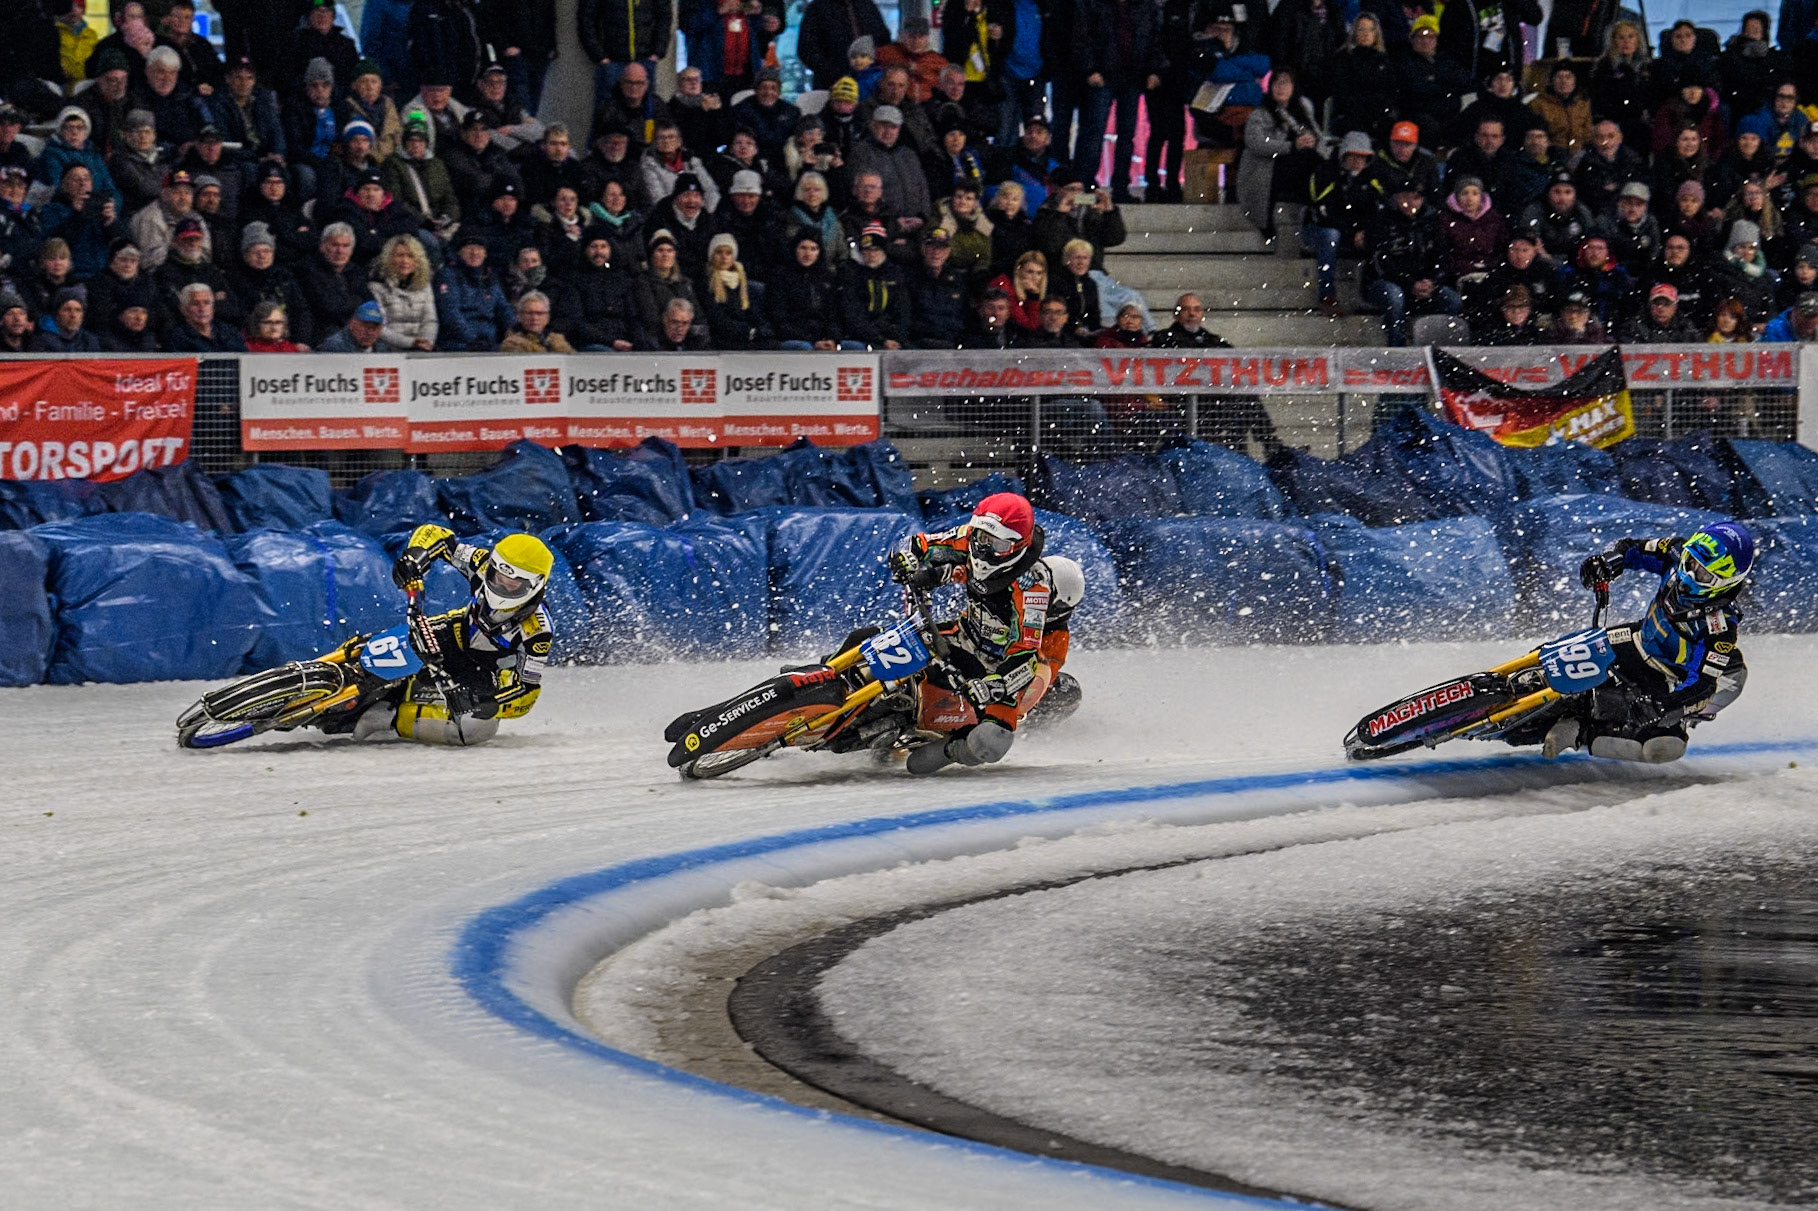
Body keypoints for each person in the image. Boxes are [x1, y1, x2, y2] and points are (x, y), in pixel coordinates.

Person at [887, 493, 1081, 775]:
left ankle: (953, 747)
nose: (984, 547)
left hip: (998, 669)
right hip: (964, 634)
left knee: (992, 739)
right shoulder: (975, 539)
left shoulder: (1035, 595)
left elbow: (1031, 664)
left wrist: (998, 687)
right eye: (984, 538)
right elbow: (925, 547)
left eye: (997, 543)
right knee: (879, 636)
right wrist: (911, 560)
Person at [1552, 524, 1755, 763]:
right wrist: (1608, 561)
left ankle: (1581, 731)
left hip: (1665, 675)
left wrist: (1664, 706)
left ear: (1725, 582)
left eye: (1703, 574)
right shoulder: (1675, 551)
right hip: (1638, 638)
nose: (1689, 574)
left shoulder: (1720, 627)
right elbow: (1630, 548)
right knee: (1569, 649)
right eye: (1691, 562)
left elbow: (1703, 684)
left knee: (1663, 747)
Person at [350, 529, 558, 747]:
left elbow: (527, 691)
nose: (501, 585)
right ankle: (340, 660)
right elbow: (437, 536)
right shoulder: (482, 563)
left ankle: (388, 719)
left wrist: (492, 703)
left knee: (478, 728)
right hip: (455, 633)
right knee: (407, 639)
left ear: (534, 585)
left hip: (482, 673)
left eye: (512, 584)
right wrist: (414, 558)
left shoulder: (538, 632)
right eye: (498, 577)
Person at [1620, 283, 1703, 342]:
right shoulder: (1634, 328)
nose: (1661, 309)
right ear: (1650, 306)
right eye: (1657, 303)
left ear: (1675, 307)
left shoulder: (1686, 328)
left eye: (1666, 304)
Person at [500, 289, 576, 352]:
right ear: (520, 316)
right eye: (529, 313)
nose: (534, 318)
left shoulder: (557, 339)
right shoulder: (511, 343)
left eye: (539, 313)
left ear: (547, 317)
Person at [317, 297, 387, 351]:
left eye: (374, 328)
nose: (369, 333)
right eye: (366, 326)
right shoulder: (335, 346)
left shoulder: (381, 348)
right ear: (352, 323)